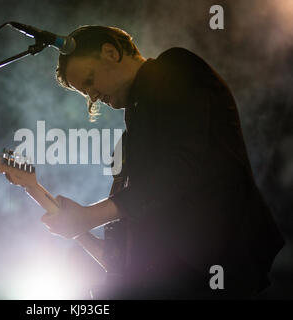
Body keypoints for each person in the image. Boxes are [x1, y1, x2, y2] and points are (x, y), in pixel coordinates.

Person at [40, 25, 284, 299]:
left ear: (110, 52)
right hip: (175, 272)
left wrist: (89, 216)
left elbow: (183, 167)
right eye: (85, 93)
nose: (92, 96)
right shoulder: (135, 120)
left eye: (89, 80)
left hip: (208, 265)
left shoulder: (174, 67)